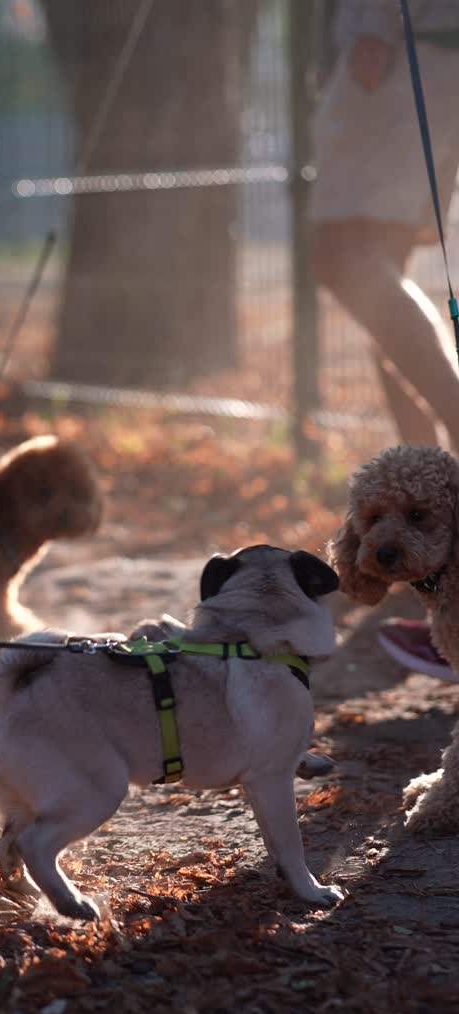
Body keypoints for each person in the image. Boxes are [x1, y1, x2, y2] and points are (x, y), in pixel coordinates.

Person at [310, 0, 459, 679]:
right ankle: (437, 567)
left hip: (400, 54)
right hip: (420, 53)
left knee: (345, 256)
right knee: (378, 272)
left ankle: (452, 430)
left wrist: (370, 25)